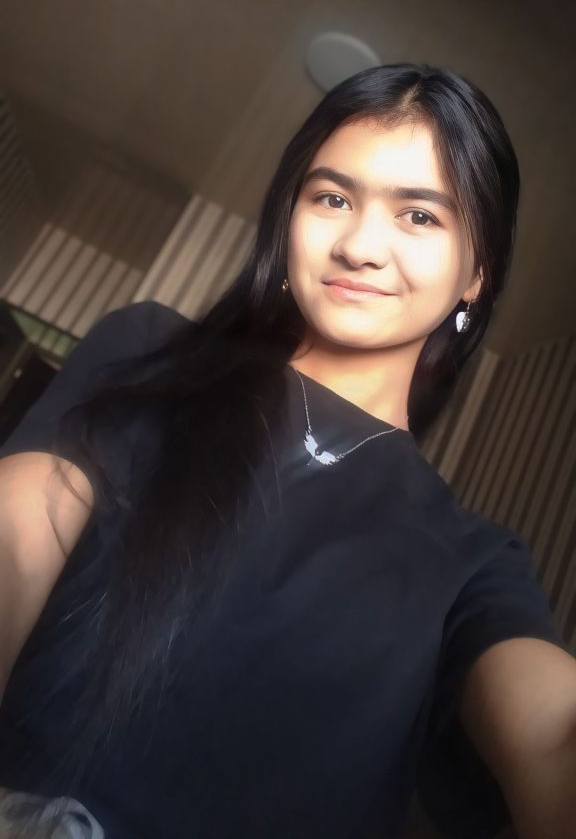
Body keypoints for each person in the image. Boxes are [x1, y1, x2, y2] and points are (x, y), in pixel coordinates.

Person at [0, 64, 572, 839]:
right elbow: (20, 526)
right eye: (332, 198)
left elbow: (549, 735)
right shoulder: (151, 349)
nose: (361, 245)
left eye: (420, 217)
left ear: (477, 274)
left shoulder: (473, 561)